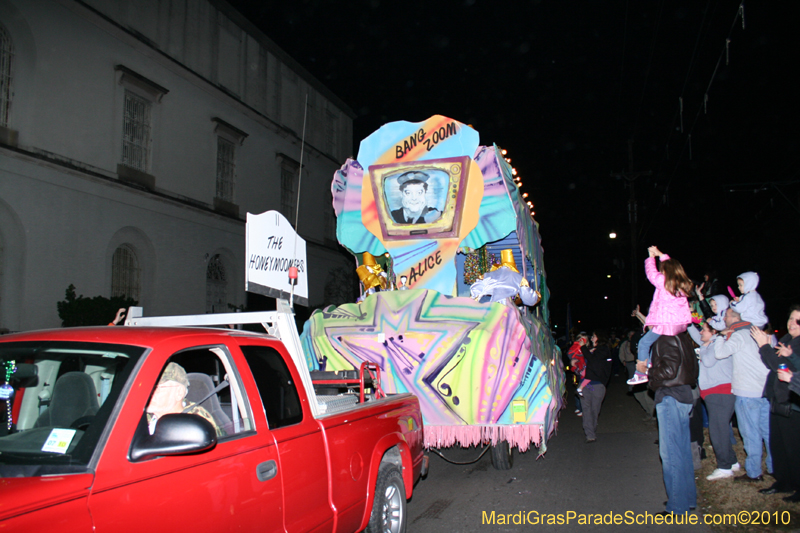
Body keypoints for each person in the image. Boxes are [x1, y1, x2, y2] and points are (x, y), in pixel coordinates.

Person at [639, 331, 699, 515]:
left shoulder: (666, 338)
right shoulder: (683, 336)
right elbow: (694, 369)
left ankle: (678, 506)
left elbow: (669, 370)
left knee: (671, 454)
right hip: (681, 396)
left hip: (670, 397)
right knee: (682, 451)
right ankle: (687, 499)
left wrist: (647, 371)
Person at [714, 308, 771, 482]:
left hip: (747, 392)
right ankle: (773, 467)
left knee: (750, 433)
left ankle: (754, 473)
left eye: (726, 316)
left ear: (734, 318)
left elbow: (720, 353)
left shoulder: (739, 335)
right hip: (765, 391)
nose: (724, 318)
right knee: (768, 433)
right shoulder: (758, 333)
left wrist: (720, 336)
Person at [750, 305, 800, 502]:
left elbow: (778, 365)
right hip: (778, 399)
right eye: (790, 318)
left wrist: (764, 346)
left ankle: (797, 486)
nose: (791, 323)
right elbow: (773, 364)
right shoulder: (788, 340)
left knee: (794, 448)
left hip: (792, 403)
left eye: (798, 320)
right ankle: (783, 481)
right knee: (778, 445)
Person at [627, 246, 693, 386]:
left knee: (644, 342)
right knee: (653, 343)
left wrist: (651, 258)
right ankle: (650, 364)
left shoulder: (664, 282)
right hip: (679, 325)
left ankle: (640, 373)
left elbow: (651, 273)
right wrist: (661, 255)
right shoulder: (681, 284)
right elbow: (672, 266)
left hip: (665, 323)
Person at [688, 322, 739, 480]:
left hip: (721, 393)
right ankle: (732, 462)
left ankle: (724, 467)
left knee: (717, 431)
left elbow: (709, 361)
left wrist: (704, 347)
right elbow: (695, 335)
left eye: (704, 330)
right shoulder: (711, 343)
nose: (701, 332)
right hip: (714, 393)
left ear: (714, 332)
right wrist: (688, 320)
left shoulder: (717, 343)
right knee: (720, 429)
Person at [146, 362, 223, 437]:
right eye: (148, 387)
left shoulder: (195, 423)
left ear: (179, 393)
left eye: (156, 388)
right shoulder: (145, 416)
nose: (149, 392)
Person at [580, 331, 612, 443]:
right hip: (585, 384)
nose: (592, 337)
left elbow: (594, 360)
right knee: (586, 410)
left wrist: (583, 348)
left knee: (594, 410)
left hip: (597, 385)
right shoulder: (591, 350)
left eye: (594, 336)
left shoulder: (603, 350)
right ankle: (590, 434)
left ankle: (591, 430)